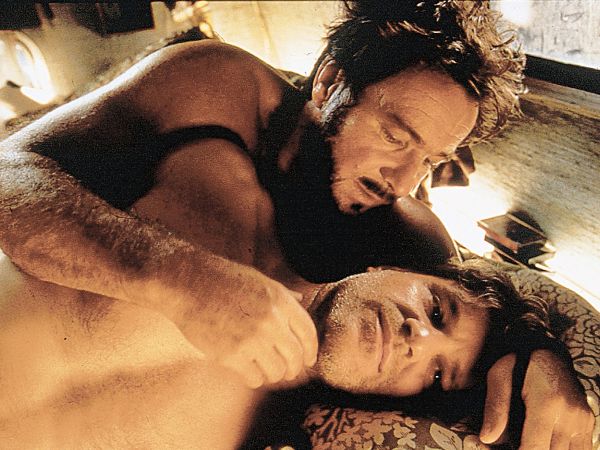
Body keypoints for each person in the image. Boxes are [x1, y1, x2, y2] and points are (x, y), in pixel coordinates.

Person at [0, 1, 592, 447]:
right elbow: (7, 174)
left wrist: (541, 357)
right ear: (330, 82)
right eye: (395, 137)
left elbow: (475, 315)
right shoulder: (218, 90)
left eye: (430, 161)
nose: (402, 179)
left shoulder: (408, 242)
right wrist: (179, 279)